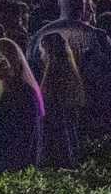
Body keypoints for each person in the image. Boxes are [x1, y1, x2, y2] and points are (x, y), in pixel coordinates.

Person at [0, 38, 45, 192]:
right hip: (0, 167)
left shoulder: (24, 94)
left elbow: (22, 137)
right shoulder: (7, 91)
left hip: (12, 169)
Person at [33, 29, 85, 165]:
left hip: (54, 140)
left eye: (42, 52)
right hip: (70, 138)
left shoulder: (51, 81)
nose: (40, 56)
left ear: (49, 53)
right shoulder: (72, 77)